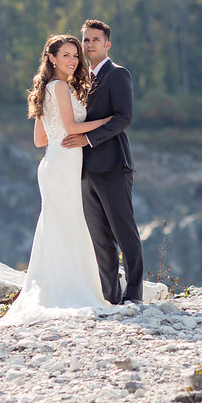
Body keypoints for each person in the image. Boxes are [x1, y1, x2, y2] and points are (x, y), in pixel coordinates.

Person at [0, 34, 111, 324]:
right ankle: (69, 292)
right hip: (63, 165)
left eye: (75, 55)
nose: (73, 60)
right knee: (67, 224)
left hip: (54, 161)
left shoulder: (46, 87)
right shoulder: (59, 86)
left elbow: (39, 138)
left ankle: (57, 290)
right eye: (67, 55)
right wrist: (109, 121)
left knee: (58, 226)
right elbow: (71, 126)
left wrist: (62, 137)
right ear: (52, 58)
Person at [61, 19, 144, 304]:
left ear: (107, 44)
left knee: (125, 233)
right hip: (85, 171)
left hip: (113, 166)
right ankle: (111, 298)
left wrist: (89, 139)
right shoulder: (80, 80)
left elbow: (124, 117)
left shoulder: (118, 74)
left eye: (95, 40)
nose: (89, 45)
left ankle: (133, 295)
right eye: (86, 40)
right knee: (100, 239)